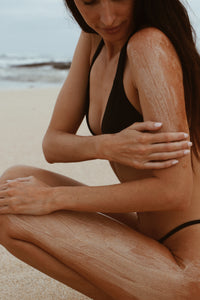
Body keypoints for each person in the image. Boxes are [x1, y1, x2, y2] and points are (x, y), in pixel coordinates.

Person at [0, 0, 200, 299]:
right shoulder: (94, 39)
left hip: (189, 264)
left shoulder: (149, 45)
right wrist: (109, 145)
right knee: (12, 185)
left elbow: (174, 191)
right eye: (90, 2)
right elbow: (52, 144)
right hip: (150, 233)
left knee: (12, 213)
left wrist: (53, 198)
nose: (107, 18)